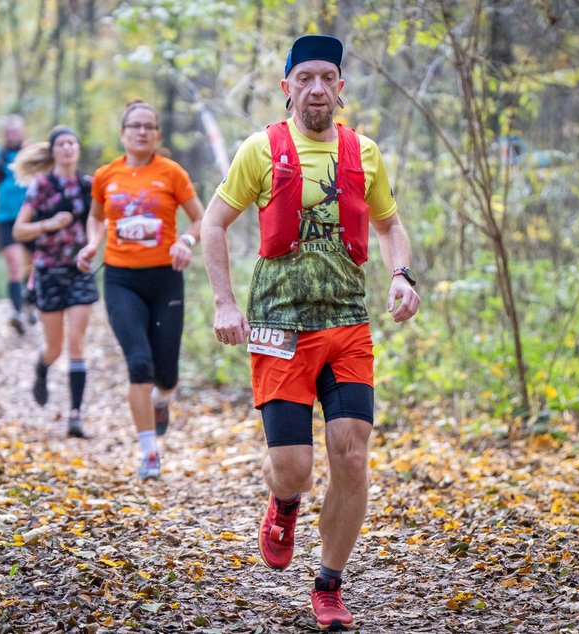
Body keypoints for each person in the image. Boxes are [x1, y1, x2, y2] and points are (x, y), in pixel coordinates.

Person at [200, 35, 421, 630]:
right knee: (294, 466)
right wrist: (225, 304)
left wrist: (400, 273)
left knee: (351, 455)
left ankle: (329, 582)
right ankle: (285, 503)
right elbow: (213, 225)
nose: (317, 88)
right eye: (306, 78)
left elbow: (390, 225)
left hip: (348, 322)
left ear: (340, 87)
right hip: (278, 323)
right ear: (288, 87)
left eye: (328, 77)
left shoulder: (363, 152)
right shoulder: (261, 149)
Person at [77, 100, 204, 480]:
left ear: (158, 135)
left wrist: (186, 241)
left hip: (166, 278)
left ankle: (162, 400)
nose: (142, 132)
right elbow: (96, 218)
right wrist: (90, 244)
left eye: (149, 126)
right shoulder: (106, 175)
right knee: (139, 364)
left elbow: (200, 218)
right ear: (123, 132)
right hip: (121, 279)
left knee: (166, 375)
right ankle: (149, 452)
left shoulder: (172, 173)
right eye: (135, 125)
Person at [12, 128, 97, 439]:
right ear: (53, 151)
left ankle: (75, 415)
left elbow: (100, 221)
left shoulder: (89, 186)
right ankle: (42, 366)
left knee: (76, 342)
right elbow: (19, 232)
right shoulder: (42, 186)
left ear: (78, 149)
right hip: (48, 272)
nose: (67, 148)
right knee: (55, 347)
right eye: (61, 144)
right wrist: (47, 224)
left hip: (79, 271)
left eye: (72, 142)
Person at [0, 114, 33, 334]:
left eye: (16, 131)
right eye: (8, 132)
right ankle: (17, 313)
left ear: (23, 131)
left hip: (32, 218)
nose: (12, 135)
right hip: (6, 218)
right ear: (4, 134)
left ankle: (31, 303)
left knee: (31, 267)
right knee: (14, 266)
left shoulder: (30, 153)